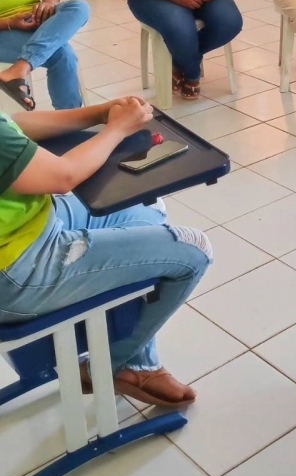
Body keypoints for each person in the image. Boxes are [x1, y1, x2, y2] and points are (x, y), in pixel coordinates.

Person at [0, 95, 211, 407]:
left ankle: (132, 358)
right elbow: (63, 176)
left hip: (28, 229)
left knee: (146, 211)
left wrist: (99, 113)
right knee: (195, 250)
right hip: (17, 270)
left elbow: (13, 125)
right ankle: (109, 366)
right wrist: (115, 130)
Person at [0, 0, 89, 111]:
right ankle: (70, 123)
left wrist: (47, 5)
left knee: (79, 7)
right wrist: (11, 23)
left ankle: (20, 67)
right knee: (63, 54)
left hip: (34, 17)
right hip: (4, 29)